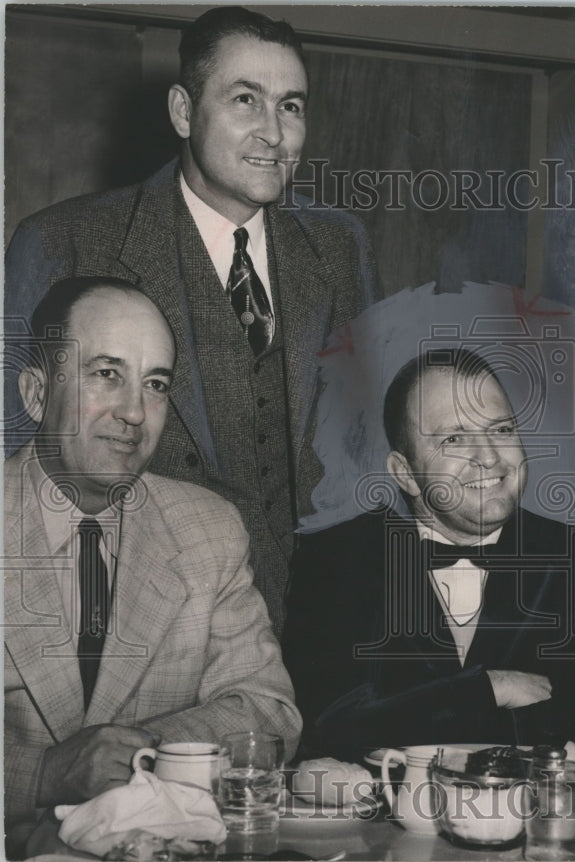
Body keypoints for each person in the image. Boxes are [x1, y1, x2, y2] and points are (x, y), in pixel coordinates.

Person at [4, 6, 377, 634]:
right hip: (142, 633)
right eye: (244, 100)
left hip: (321, 636)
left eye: (291, 106)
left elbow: (367, 444)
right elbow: (13, 459)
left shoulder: (341, 246)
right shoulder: (64, 241)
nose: (273, 134)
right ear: (183, 111)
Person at [4, 278, 301, 854]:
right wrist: (41, 773)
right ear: (37, 393)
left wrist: (138, 752)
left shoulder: (208, 528)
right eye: (106, 374)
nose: (136, 413)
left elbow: (269, 713)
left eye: (156, 384)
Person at [283, 349, 575, 761]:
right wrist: (487, 690)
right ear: (404, 472)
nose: (489, 457)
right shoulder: (337, 559)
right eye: (454, 439)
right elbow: (330, 727)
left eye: (500, 430)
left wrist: (412, 712)